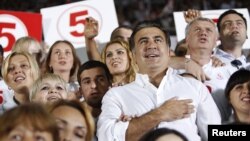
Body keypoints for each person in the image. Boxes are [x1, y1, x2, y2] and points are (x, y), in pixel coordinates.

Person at [97, 20, 221, 141]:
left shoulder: (195, 87)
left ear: (168, 51)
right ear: (133, 55)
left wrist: (134, 124)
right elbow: (106, 136)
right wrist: (159, 114)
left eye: (158, 40)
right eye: (143, 41)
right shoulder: (116, 95)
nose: (151, 45)